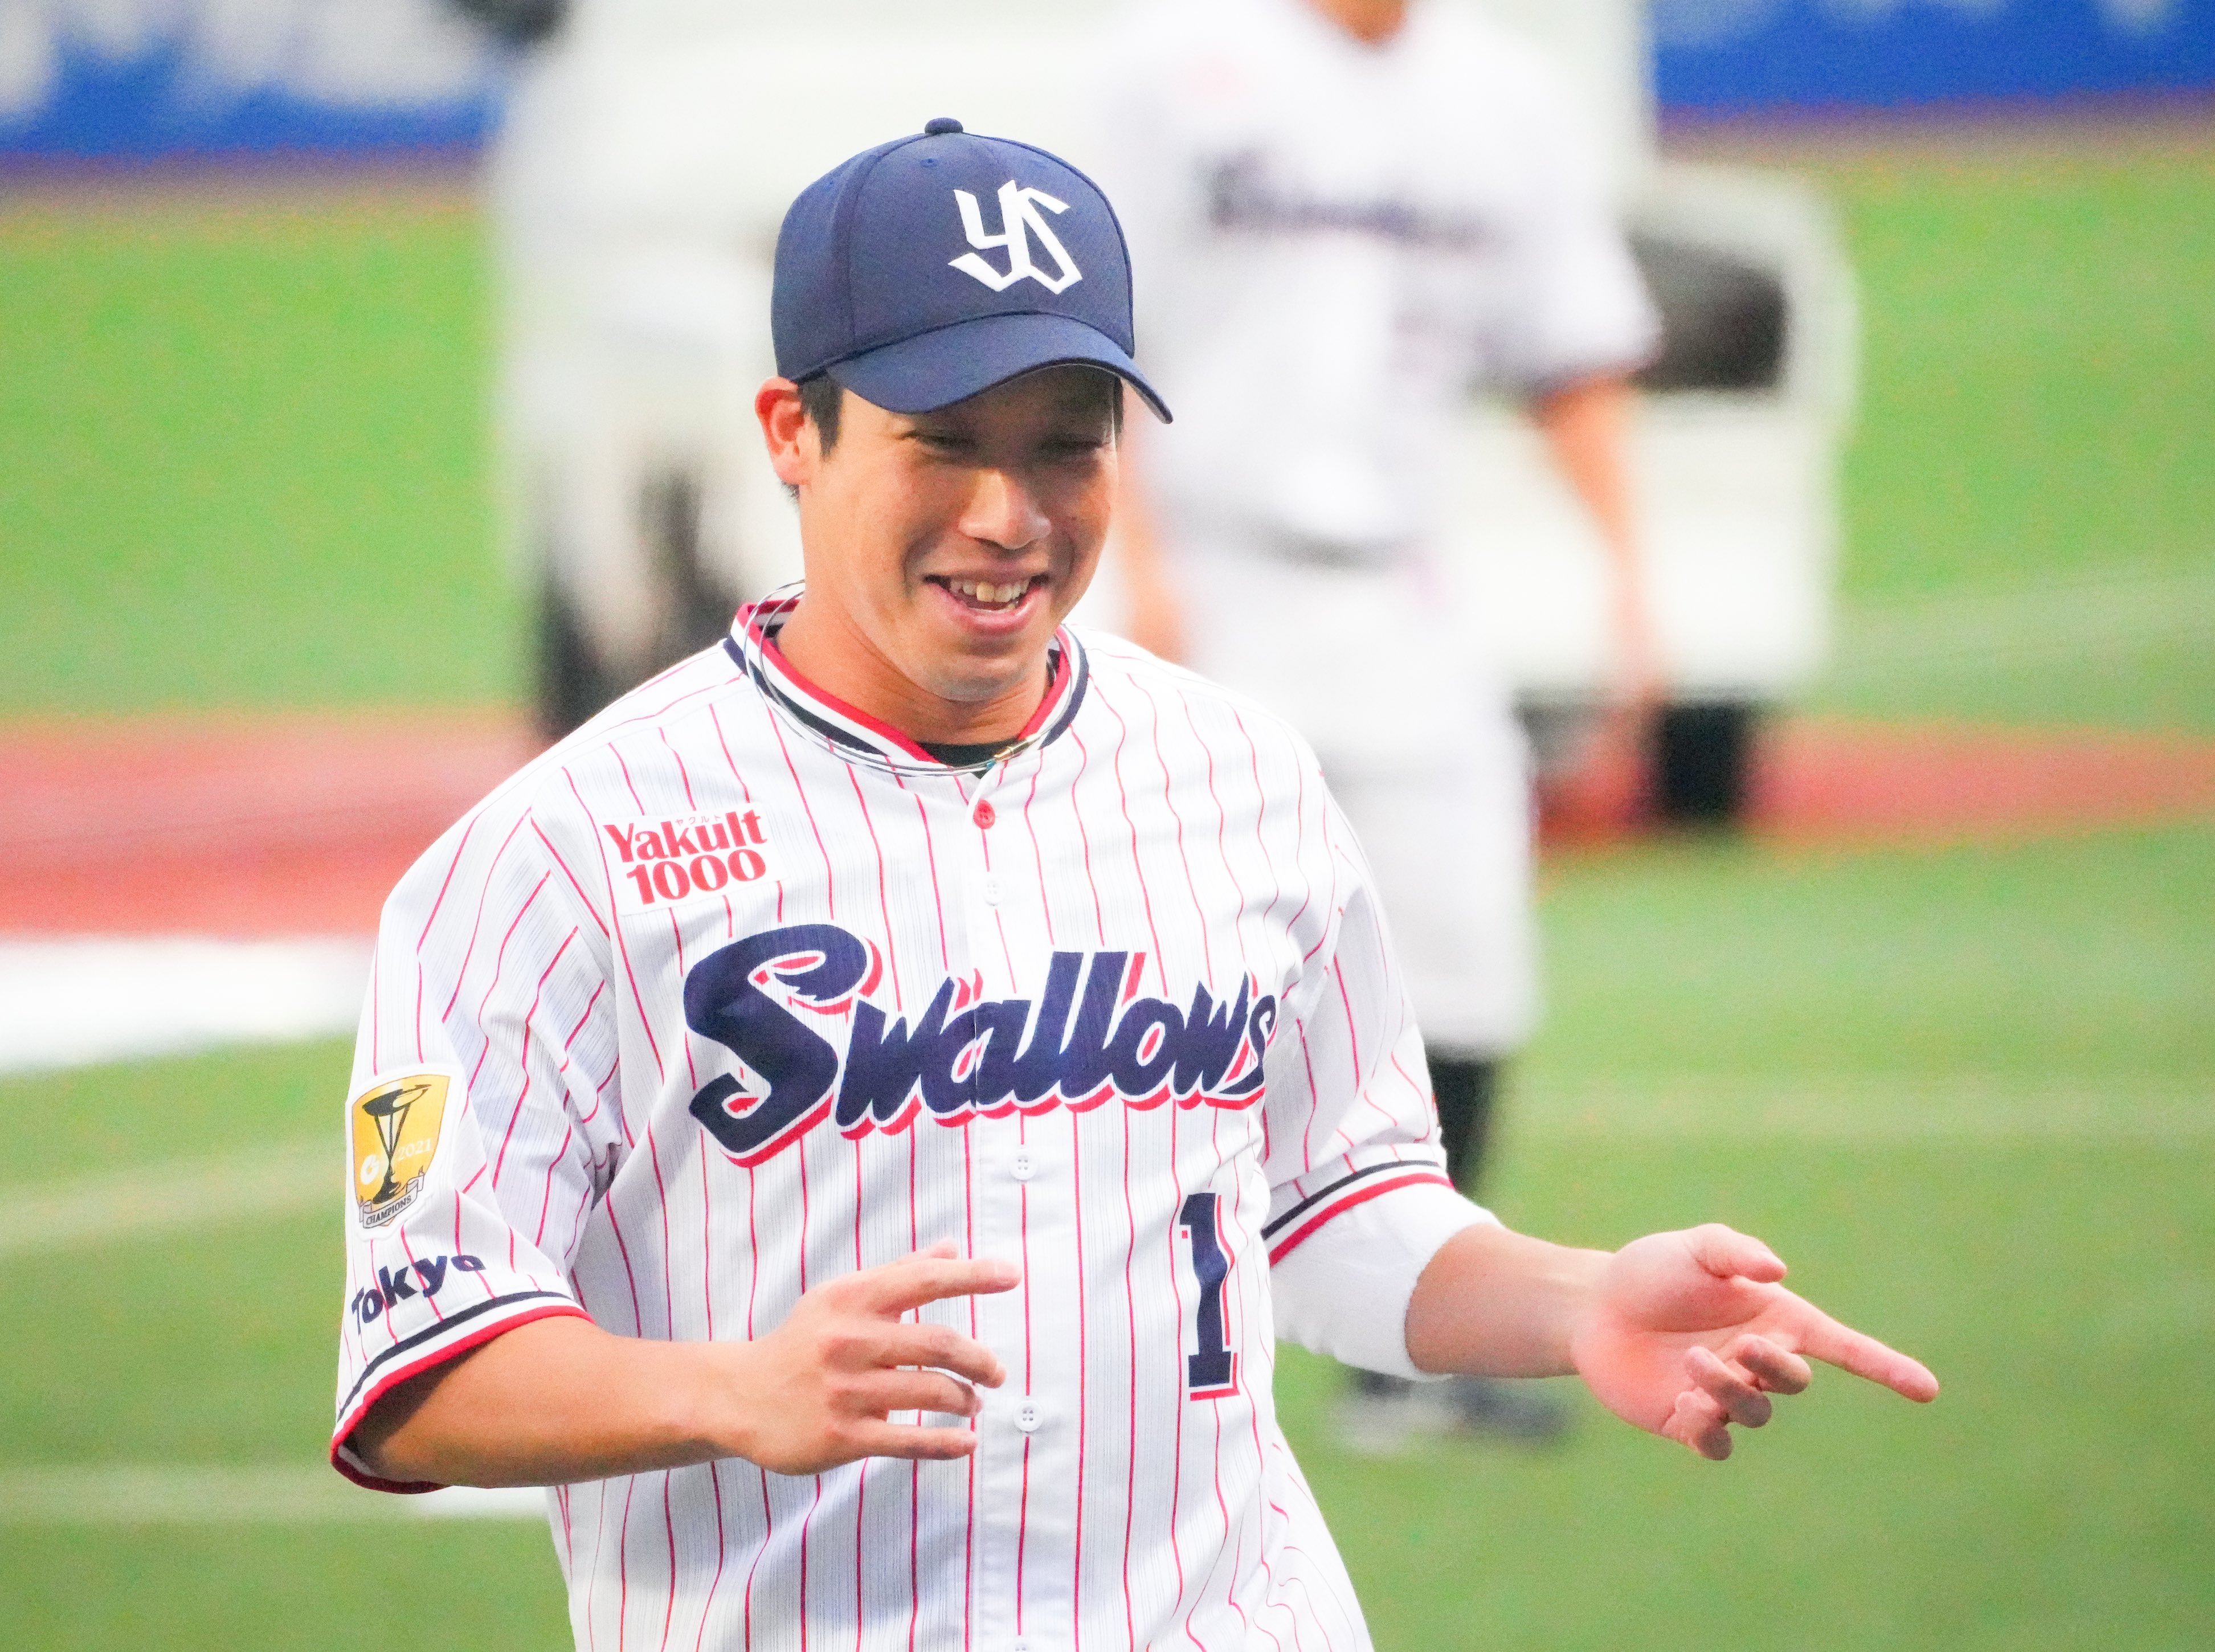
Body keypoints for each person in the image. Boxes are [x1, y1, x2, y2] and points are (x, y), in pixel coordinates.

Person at [331, 120, 1936, 1650]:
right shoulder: (557, 855)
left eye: (1067, 445)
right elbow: (419, 1368)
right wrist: (729, 1390)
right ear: (791, 435)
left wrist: (1578, 1303)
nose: (1008, 515)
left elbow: (1340, 1205)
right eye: (943, 443)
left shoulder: (1240, 776)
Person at [1089, 0, 1662, 1445]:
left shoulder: (1502, 99)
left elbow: (1571, 353)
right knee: (1139, 964)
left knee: (1464, 948)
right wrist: (1133, 566)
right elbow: (1092, 338)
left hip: (1401, 582)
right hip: (1201, 569)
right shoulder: (1174, 66)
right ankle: (1118, 1338)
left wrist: (1628, 576)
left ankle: (1412, 1364)